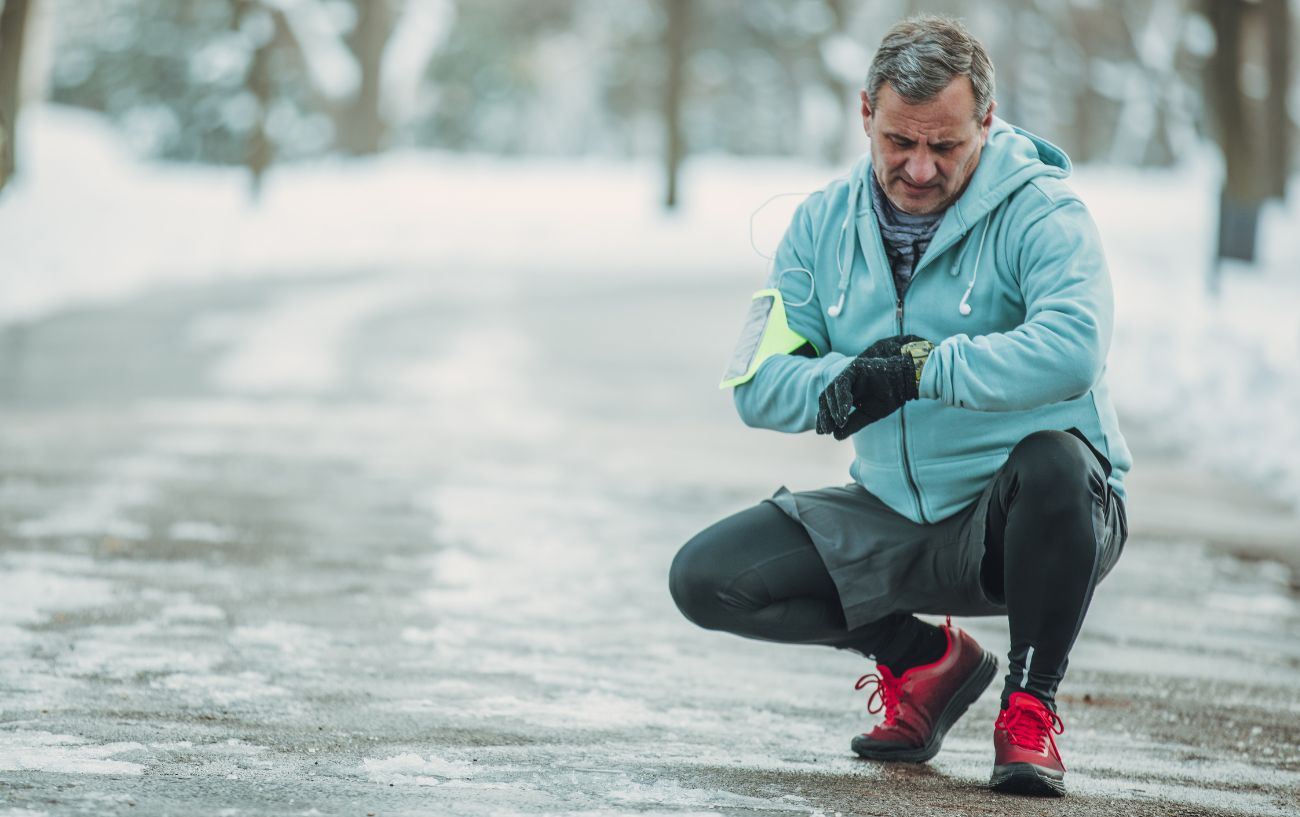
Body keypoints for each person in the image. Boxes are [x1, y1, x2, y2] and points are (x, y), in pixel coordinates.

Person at [669, 15, 1130, 798]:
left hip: (1024, 523)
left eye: (945, 146)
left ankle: (1029, 706)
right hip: (893, 513)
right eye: (899, 142)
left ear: (985, 120)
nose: (919, 168)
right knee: (707, 577)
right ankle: (924, 659)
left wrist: (923, 369)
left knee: (1056, 459)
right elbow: (752, 381)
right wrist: (850, 380)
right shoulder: (819, 225)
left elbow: (1073, 347)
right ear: (865, 116)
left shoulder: (1042, 211)